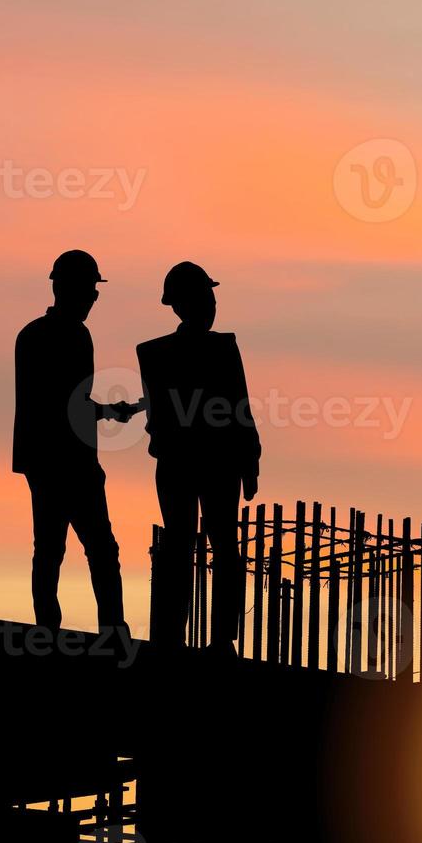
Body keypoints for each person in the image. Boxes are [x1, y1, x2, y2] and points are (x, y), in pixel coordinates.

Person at [137, 261, 261, 652]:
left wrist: (249, 458)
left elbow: (162, 419)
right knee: (212, 545)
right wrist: (249, 459)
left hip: (186, 462)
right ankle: (212, 638)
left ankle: (188, 636)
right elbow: (238, 408)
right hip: (210, 462)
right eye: (208, 296)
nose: (213, 304)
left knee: (188, 544)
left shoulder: (157, 354)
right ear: (188, 303)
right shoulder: (217, 350)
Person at [13, 250, 136, 633]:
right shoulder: (73, 337)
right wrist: (106, 412)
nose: (93, 298)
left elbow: (66, 403)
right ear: (65, 288)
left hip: (44, 458)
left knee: (49, 548)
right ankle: (112, 630)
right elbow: (67, 405)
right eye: (89, 289)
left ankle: (48, 628)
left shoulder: (32, 334)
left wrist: (103, 412)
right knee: (100, 549)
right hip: (68, 460)